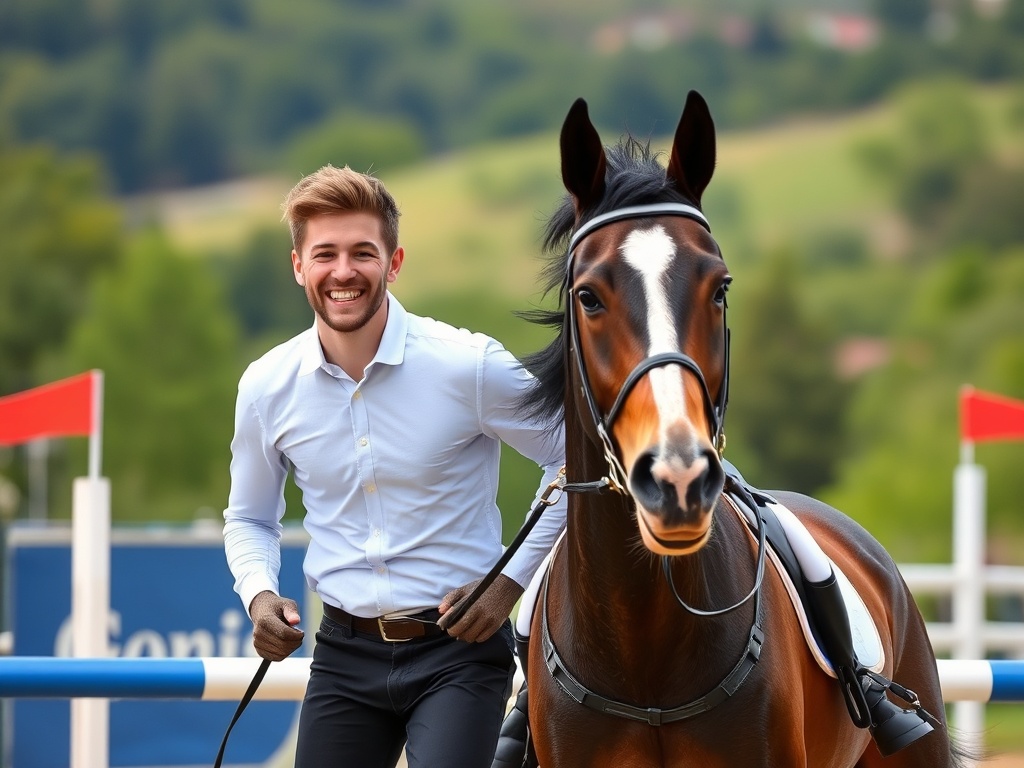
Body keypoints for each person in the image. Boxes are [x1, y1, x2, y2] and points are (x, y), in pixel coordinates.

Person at [222, 164, 566, 768]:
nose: (344, 271)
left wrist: (507, 582)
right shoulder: (265, 387)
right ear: (298, 265)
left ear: (395, 261)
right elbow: (250, 518)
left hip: (459, 652)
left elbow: (576, 461)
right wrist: (259, 595)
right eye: (324, 253)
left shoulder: (469, 366)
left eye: (363, 252)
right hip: (341, 654)